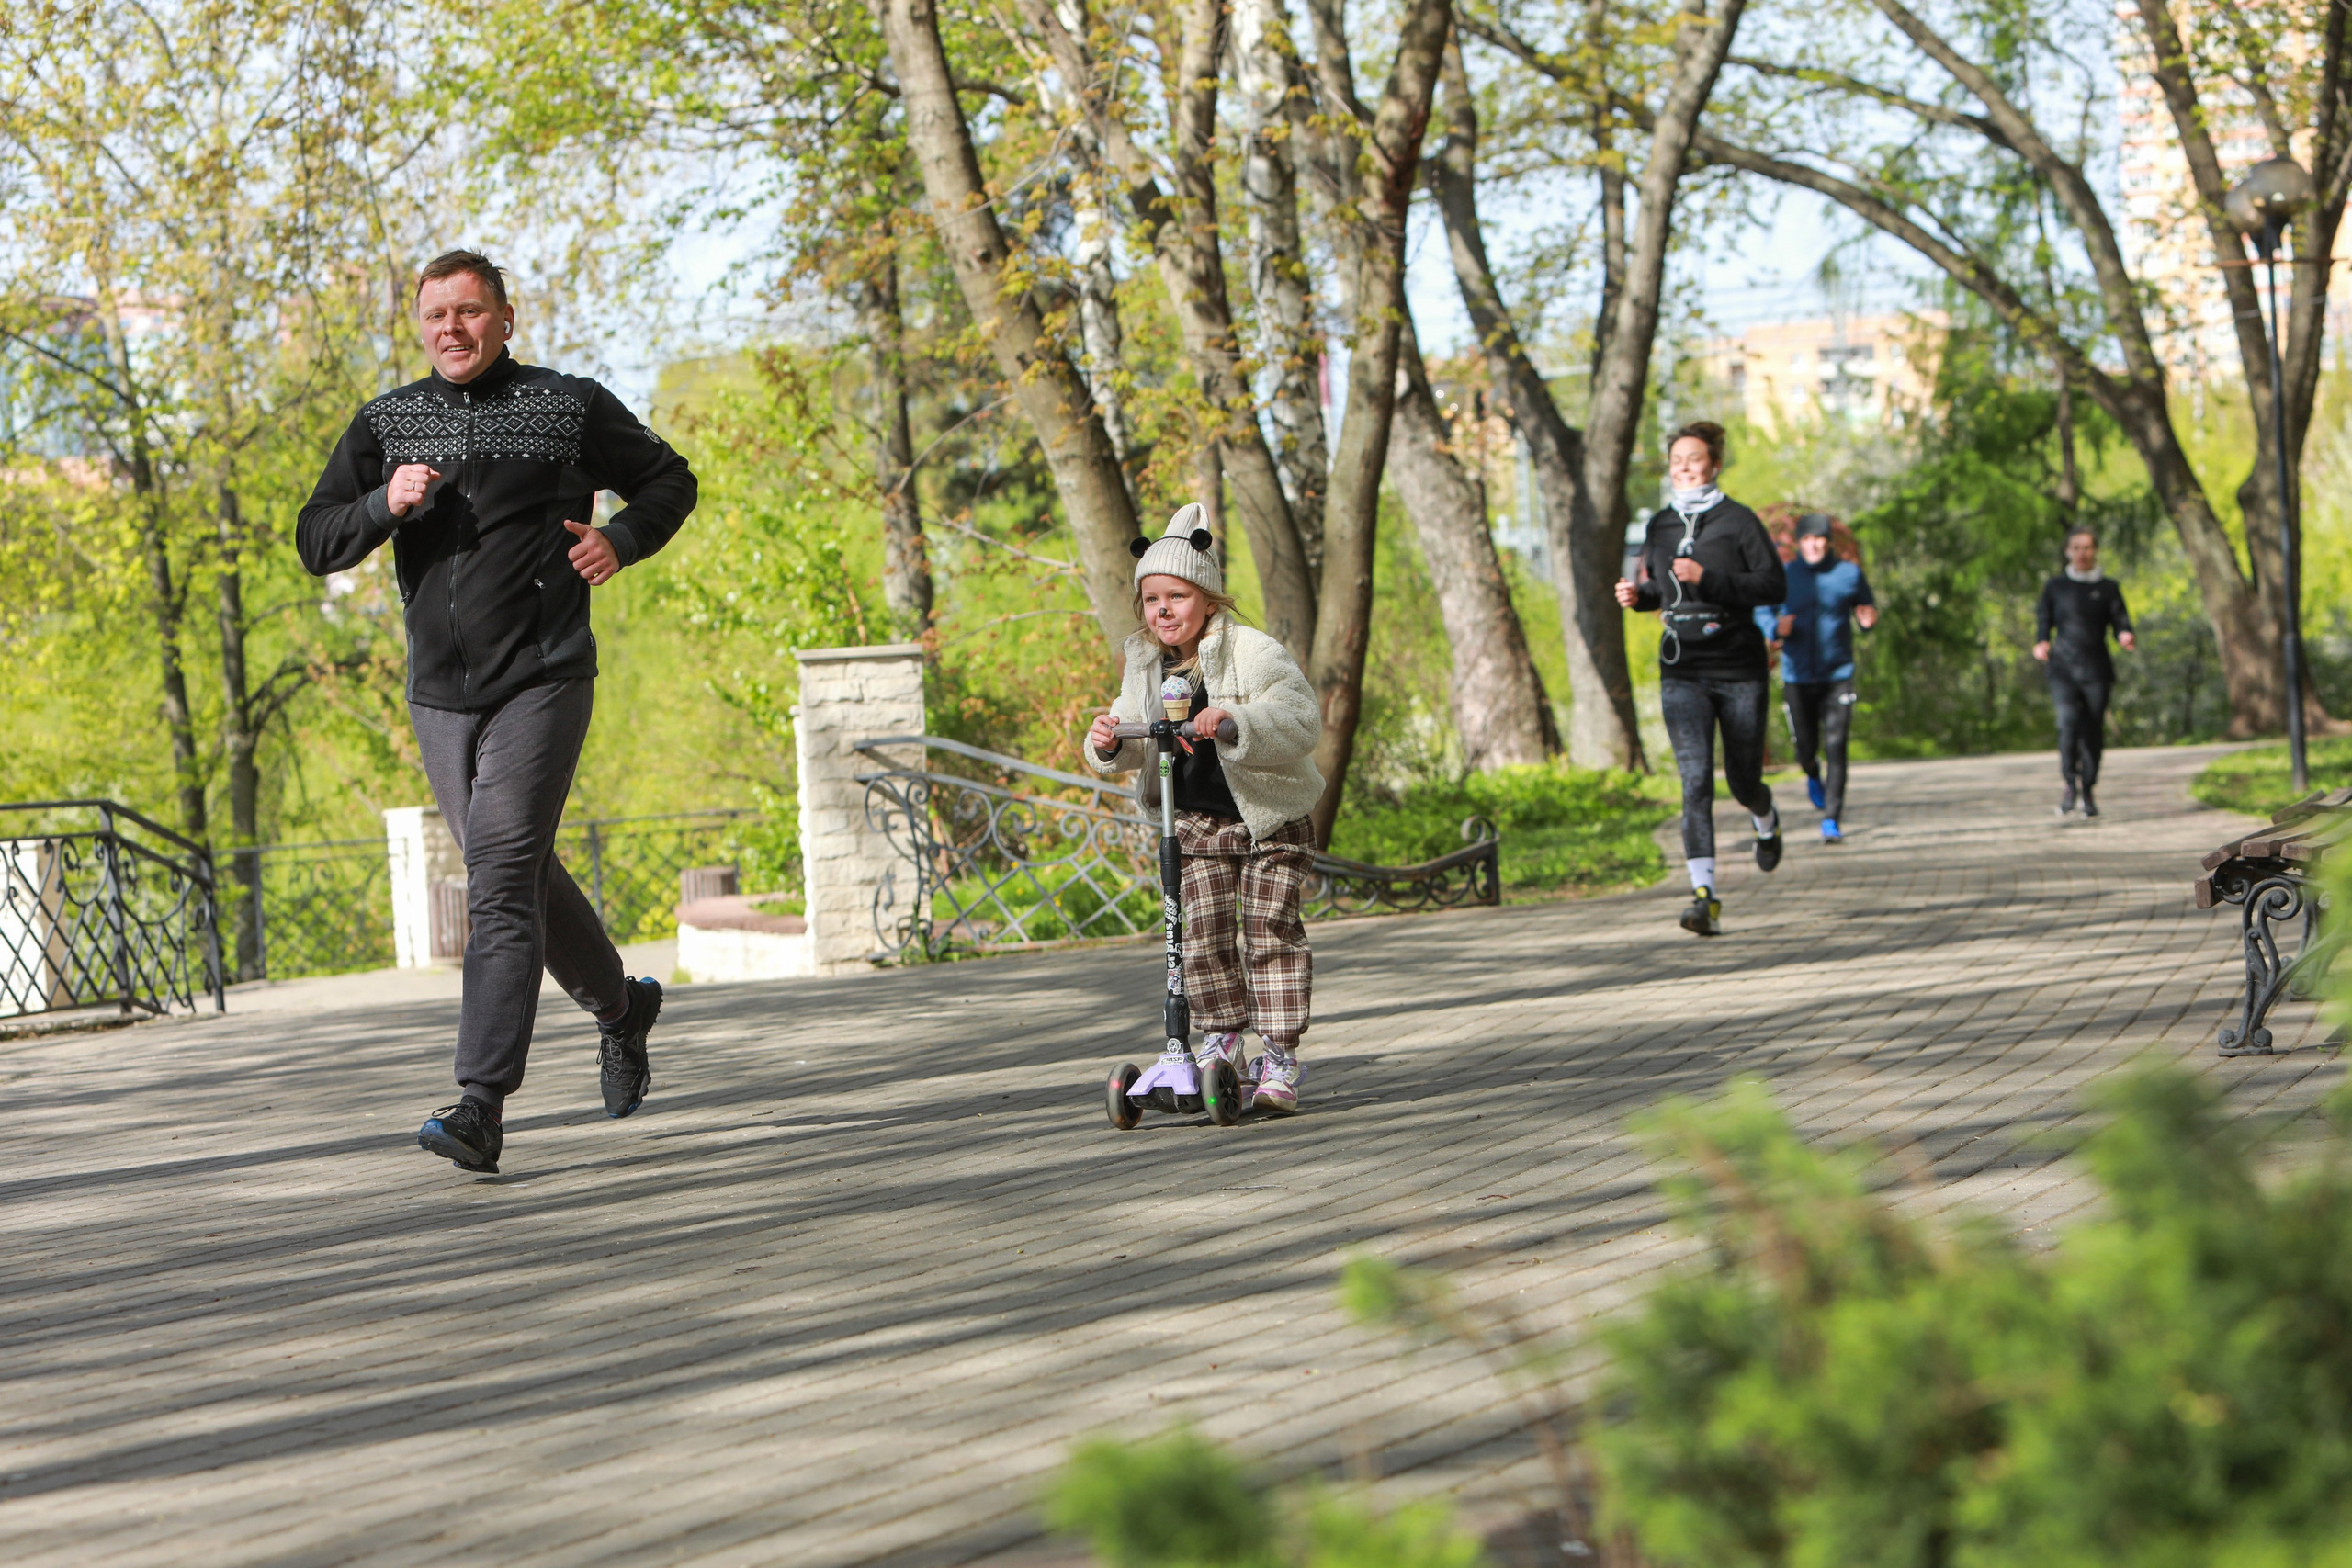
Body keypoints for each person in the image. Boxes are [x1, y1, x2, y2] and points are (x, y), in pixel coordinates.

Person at [298, 250, 698, 1174]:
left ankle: (480, 1104)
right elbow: (315, 539)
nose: (452, 328)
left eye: (470, 312)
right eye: (436, 314)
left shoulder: (569, 405)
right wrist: (379, 504)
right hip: (440, 695)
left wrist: (621, 540)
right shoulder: (387, 421)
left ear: (505, 320)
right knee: (510, 867)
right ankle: (621, 1006)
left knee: (501, 876)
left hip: (546, 676)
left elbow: (669, 478)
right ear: (419, 324)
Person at [1088, 505, 1325, 1113]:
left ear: (1209, 597)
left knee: (1269, 931)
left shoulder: (1250, 649)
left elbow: (1301, 717)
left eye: (1176, 596)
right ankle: (1220, 1042)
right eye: (1151, 599)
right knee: (1205, 938)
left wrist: (1235, 719)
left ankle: (1277, 1057)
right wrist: (1107, 741)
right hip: (1193, 823)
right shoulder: (1144, 661)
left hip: (1269, 818)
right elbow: (1123, 727)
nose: (1162, 610)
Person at [1614, 422, 1788, 937]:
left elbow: (1771, 583)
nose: (1683, 468)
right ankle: (1703, 898)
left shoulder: (1739, 521)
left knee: (1741, 781)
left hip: (1737, 667)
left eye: (1693, 459)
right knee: (1694, 784)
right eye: (1676, 461)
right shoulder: (1662, 526)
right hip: (1682, 668)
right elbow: (1660, 591)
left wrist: (1708, 579)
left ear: (1714, 464)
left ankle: (1765, 817)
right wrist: (1638, 598)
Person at [1766, 513, 1878, 843]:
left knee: (1836, 745)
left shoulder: (1848, 574)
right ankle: (1812, 773)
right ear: (1798, 543)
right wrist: (1775, 628)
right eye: (1807, 539)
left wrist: (1868, 620)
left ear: (1828, 542)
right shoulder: (1787, 576)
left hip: (1838, 674)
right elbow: (1764, 610)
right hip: (1797, 675)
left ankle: (1832, 818)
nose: (1813, 545)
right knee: (1805, 748)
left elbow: (1866, 607)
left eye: (1819, 539)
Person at [2034, 527, 2134, 818]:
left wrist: (2125, 634)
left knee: (2092, 731)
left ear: (2095, 551)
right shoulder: (2056, 587)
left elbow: (2121, 619)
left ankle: (2088, 790)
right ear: (2068, 551)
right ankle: (2069, 784)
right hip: (2063, 668)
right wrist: (2041, 641)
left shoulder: (2107, 587)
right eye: (2077, 547)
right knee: (2067, 723)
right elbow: (2044, 618)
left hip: (2097, 669)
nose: (2083, 553)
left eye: (2088, 547)